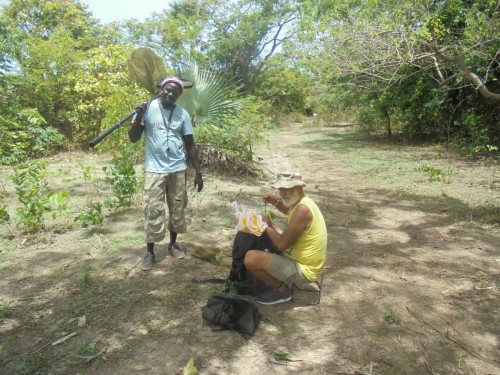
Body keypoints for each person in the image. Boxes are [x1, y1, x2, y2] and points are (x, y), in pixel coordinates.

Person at [129, 76, 204, 271]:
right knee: (152, 210)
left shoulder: (183, 115)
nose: (170, 94)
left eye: (175, 92)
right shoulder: (148, 109)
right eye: (167, 90)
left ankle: (173, 244)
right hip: (155, 170)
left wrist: (198, 172)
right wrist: (138, 116)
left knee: (177, 208)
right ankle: (150, 252)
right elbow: (133, 138)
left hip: (178, 169)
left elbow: (190, 144)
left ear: (179, 95)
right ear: (161, 89)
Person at [244, 172, 327, 305]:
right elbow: (288, 211)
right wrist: (274, 203)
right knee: (267, 235)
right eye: (280, 189)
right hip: (303, 261)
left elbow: (282, 245)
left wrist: (266, 225)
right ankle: (274, 278)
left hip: (304, 271)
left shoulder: (302, 210)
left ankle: (281, 290)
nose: (282, 193)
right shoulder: (303, 202)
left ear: (299, 188)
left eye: (286, 189)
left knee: (250, 258)